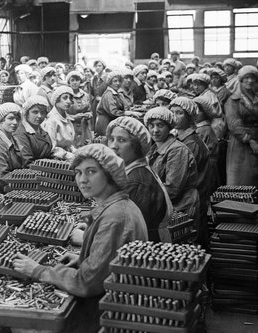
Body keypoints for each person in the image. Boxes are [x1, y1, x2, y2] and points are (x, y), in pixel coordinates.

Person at [12, 144, 148, 333]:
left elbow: (86, 283)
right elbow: (110, 261)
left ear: (109, 174)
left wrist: (39, 270)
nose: (82, 180)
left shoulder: (115, 217)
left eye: (91, 172)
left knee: (22, 325)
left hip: (105, 313)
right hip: (109, 301)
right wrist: (83, 257)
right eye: (78, 172)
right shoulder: (118, 205)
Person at [106, 117, 172, 242]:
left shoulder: (136, 182)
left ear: (136, 146)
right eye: (111, 139)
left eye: (121, 140)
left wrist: (86, 238)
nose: (113, 146)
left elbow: (126, 232)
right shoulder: (132, 170)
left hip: (146, 246)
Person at [169, 97, 213, 247]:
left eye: (179, 113)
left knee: (194, 241)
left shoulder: (191, 143)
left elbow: (179, 179)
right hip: (189, 196)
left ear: (189, 116)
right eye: (172, 112)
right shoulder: (182, 138)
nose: (174, 116)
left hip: (191, 198)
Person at [144, 107, 199, 219]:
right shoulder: (153, 149)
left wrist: (143, 198)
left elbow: (172, 190)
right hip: (164, 206)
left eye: (160, 125)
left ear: (169, 127)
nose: (155, 130)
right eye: (151, 126)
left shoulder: (177, 151)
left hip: (180, 209)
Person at [225, 65, 258, 186]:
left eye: (253, 78)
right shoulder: (233, 100)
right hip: (241, 143)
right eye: (247, 77)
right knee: (242, 177)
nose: (250, 81)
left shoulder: (257, 98)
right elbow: (233, 124)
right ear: (241, 79)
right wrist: (250, 141)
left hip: (257, 140)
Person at [96, 70, 143, 136]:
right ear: (109, 82)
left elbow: (125, 106)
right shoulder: (109, 94)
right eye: (115, 81)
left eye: (119, 81)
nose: (117, 83)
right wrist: (129, 113)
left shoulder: (116, 94)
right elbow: (114, 112)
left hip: (112, 122)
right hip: (105, 124)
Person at [14, 96, 53, 167]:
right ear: (26, 113)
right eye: (35, 112)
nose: (39, 116)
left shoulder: (41, 130)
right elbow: (27, 162)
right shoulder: (21, 134)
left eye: (43, 112)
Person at [42, 86, 77, 160]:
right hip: (56, 161)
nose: (68, 101)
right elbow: (51, 148)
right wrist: (68, 155)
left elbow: (67, 143)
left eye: (70, 98)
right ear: (56, 100)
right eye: (65, 98)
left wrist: (75, 151)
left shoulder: (66, 118)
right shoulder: (52, 121)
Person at [66, 71, 92, 147]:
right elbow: (62, 114)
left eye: (77, 80)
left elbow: (89, 110)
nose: (75, 83)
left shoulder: (85, 95)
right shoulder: (66, 96)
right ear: (69, 82)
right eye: (72, 80)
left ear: (80, 81)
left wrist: (88, 115)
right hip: (70, 127)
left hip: (84, 127)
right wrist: (74, 117)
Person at [91, 59, 108, 131]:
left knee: (102, 121)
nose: (97, 68)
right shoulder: (94, 78)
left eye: (99, 66)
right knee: (94, 120)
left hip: (104, 103)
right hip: (95, 102)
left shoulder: (107, 78)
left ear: (103, 67)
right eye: (96, 66)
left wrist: (102, 98)